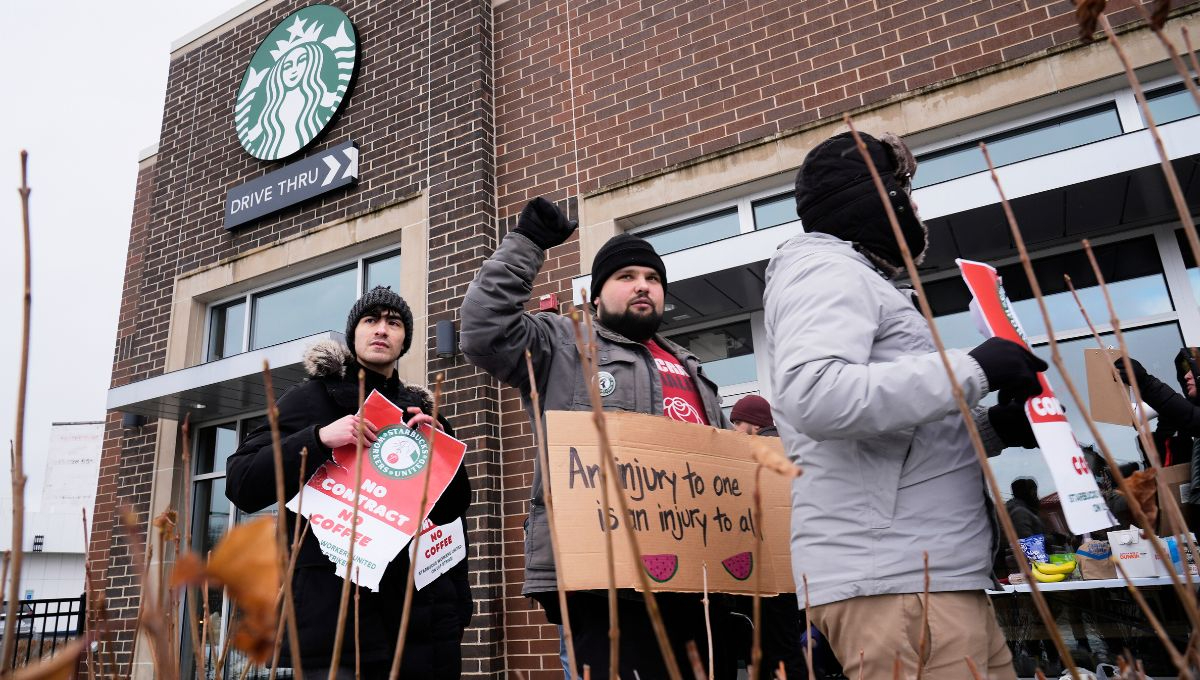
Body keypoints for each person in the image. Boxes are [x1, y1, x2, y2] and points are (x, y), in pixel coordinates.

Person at [763, 131, 1048, 680]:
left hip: (931, 578)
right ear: (877, 198)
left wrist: (995, 428)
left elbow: (897, 439)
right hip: (898, 583)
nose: (916, 207)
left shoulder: (858, 280)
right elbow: (816, 393)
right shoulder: (827, 271)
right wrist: (975, 368)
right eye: (905, 189)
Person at [460, 198, 729, 678]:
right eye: (626, 277)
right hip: (602, 577)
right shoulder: (561, 344)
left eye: (653, 279)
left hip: (696, 579)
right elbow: (484, 331)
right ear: (597, 293)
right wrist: (527, 245)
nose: (643, 286)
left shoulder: (693, 369)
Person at [226, 286, 473, 679]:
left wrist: (442, 448)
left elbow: (451, 512)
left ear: (404, 339)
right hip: (335, 625)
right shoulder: (309, 400)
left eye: (393, 324)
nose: (381, 330)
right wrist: (319, 438)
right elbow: (241, 483)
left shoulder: (421, 411)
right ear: (353, 333)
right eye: (370, 321)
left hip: (420, 626)